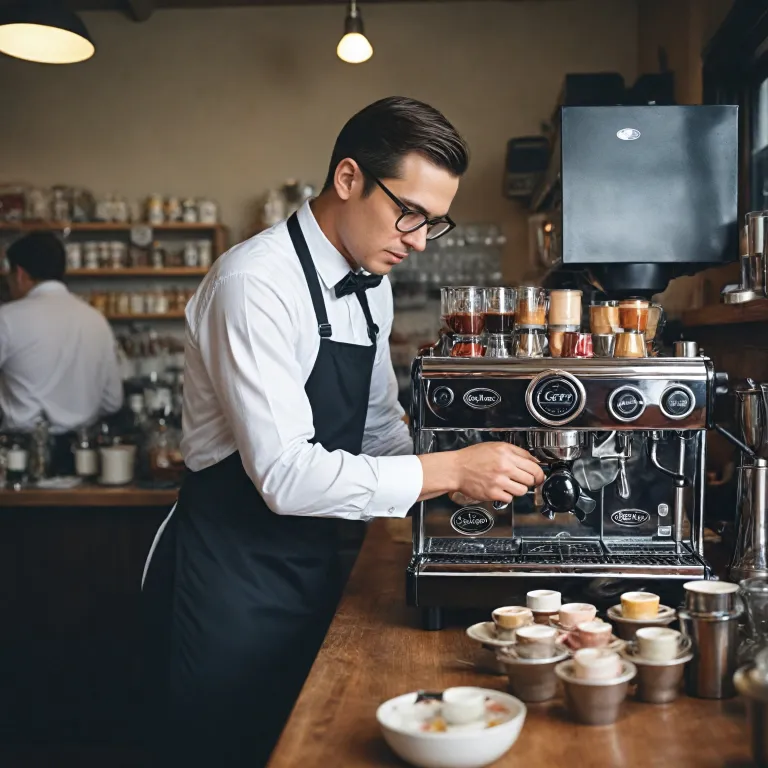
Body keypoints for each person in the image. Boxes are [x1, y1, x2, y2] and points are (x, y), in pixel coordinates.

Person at [141, 96, 544, 767]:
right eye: (409, 213)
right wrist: (447, 471)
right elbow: (286, 475)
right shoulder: (255, 283)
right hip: (231, 576)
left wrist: (461, 488)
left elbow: (380, 430)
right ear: (350, 179)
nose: (418, 240)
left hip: (316, 558)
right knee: (232, 744)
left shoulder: (371, 282)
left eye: (434, 224)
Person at [0, 232, 123, 469]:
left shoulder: (7, 318)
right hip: (83, 455)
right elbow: (112, 402)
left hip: (22, 456)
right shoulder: (95, 320)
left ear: (20, 274)